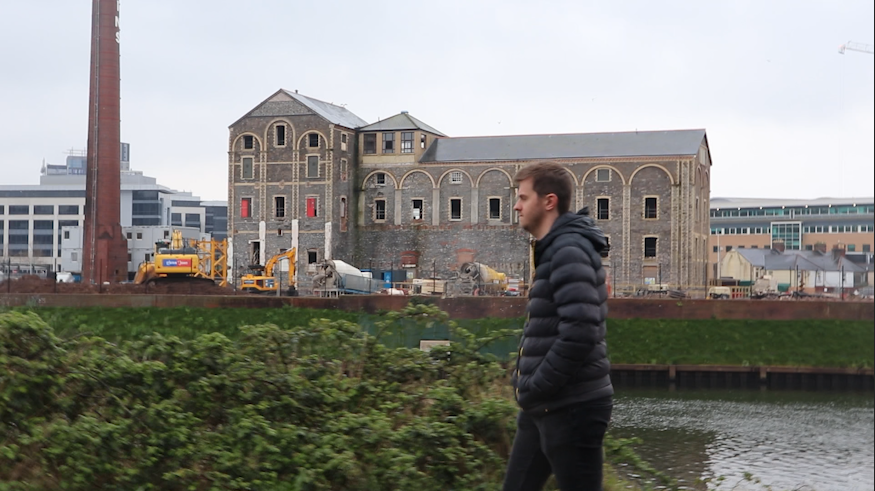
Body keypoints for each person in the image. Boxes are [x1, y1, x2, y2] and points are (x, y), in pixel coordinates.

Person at [503, 161, 613, 491]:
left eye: (523, 197)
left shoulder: (569, 250)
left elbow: (581, 331)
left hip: (571, 406)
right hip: (545, 406)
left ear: (548, 201)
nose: (516, 205)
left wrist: (536, 385)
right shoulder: (554, 249)